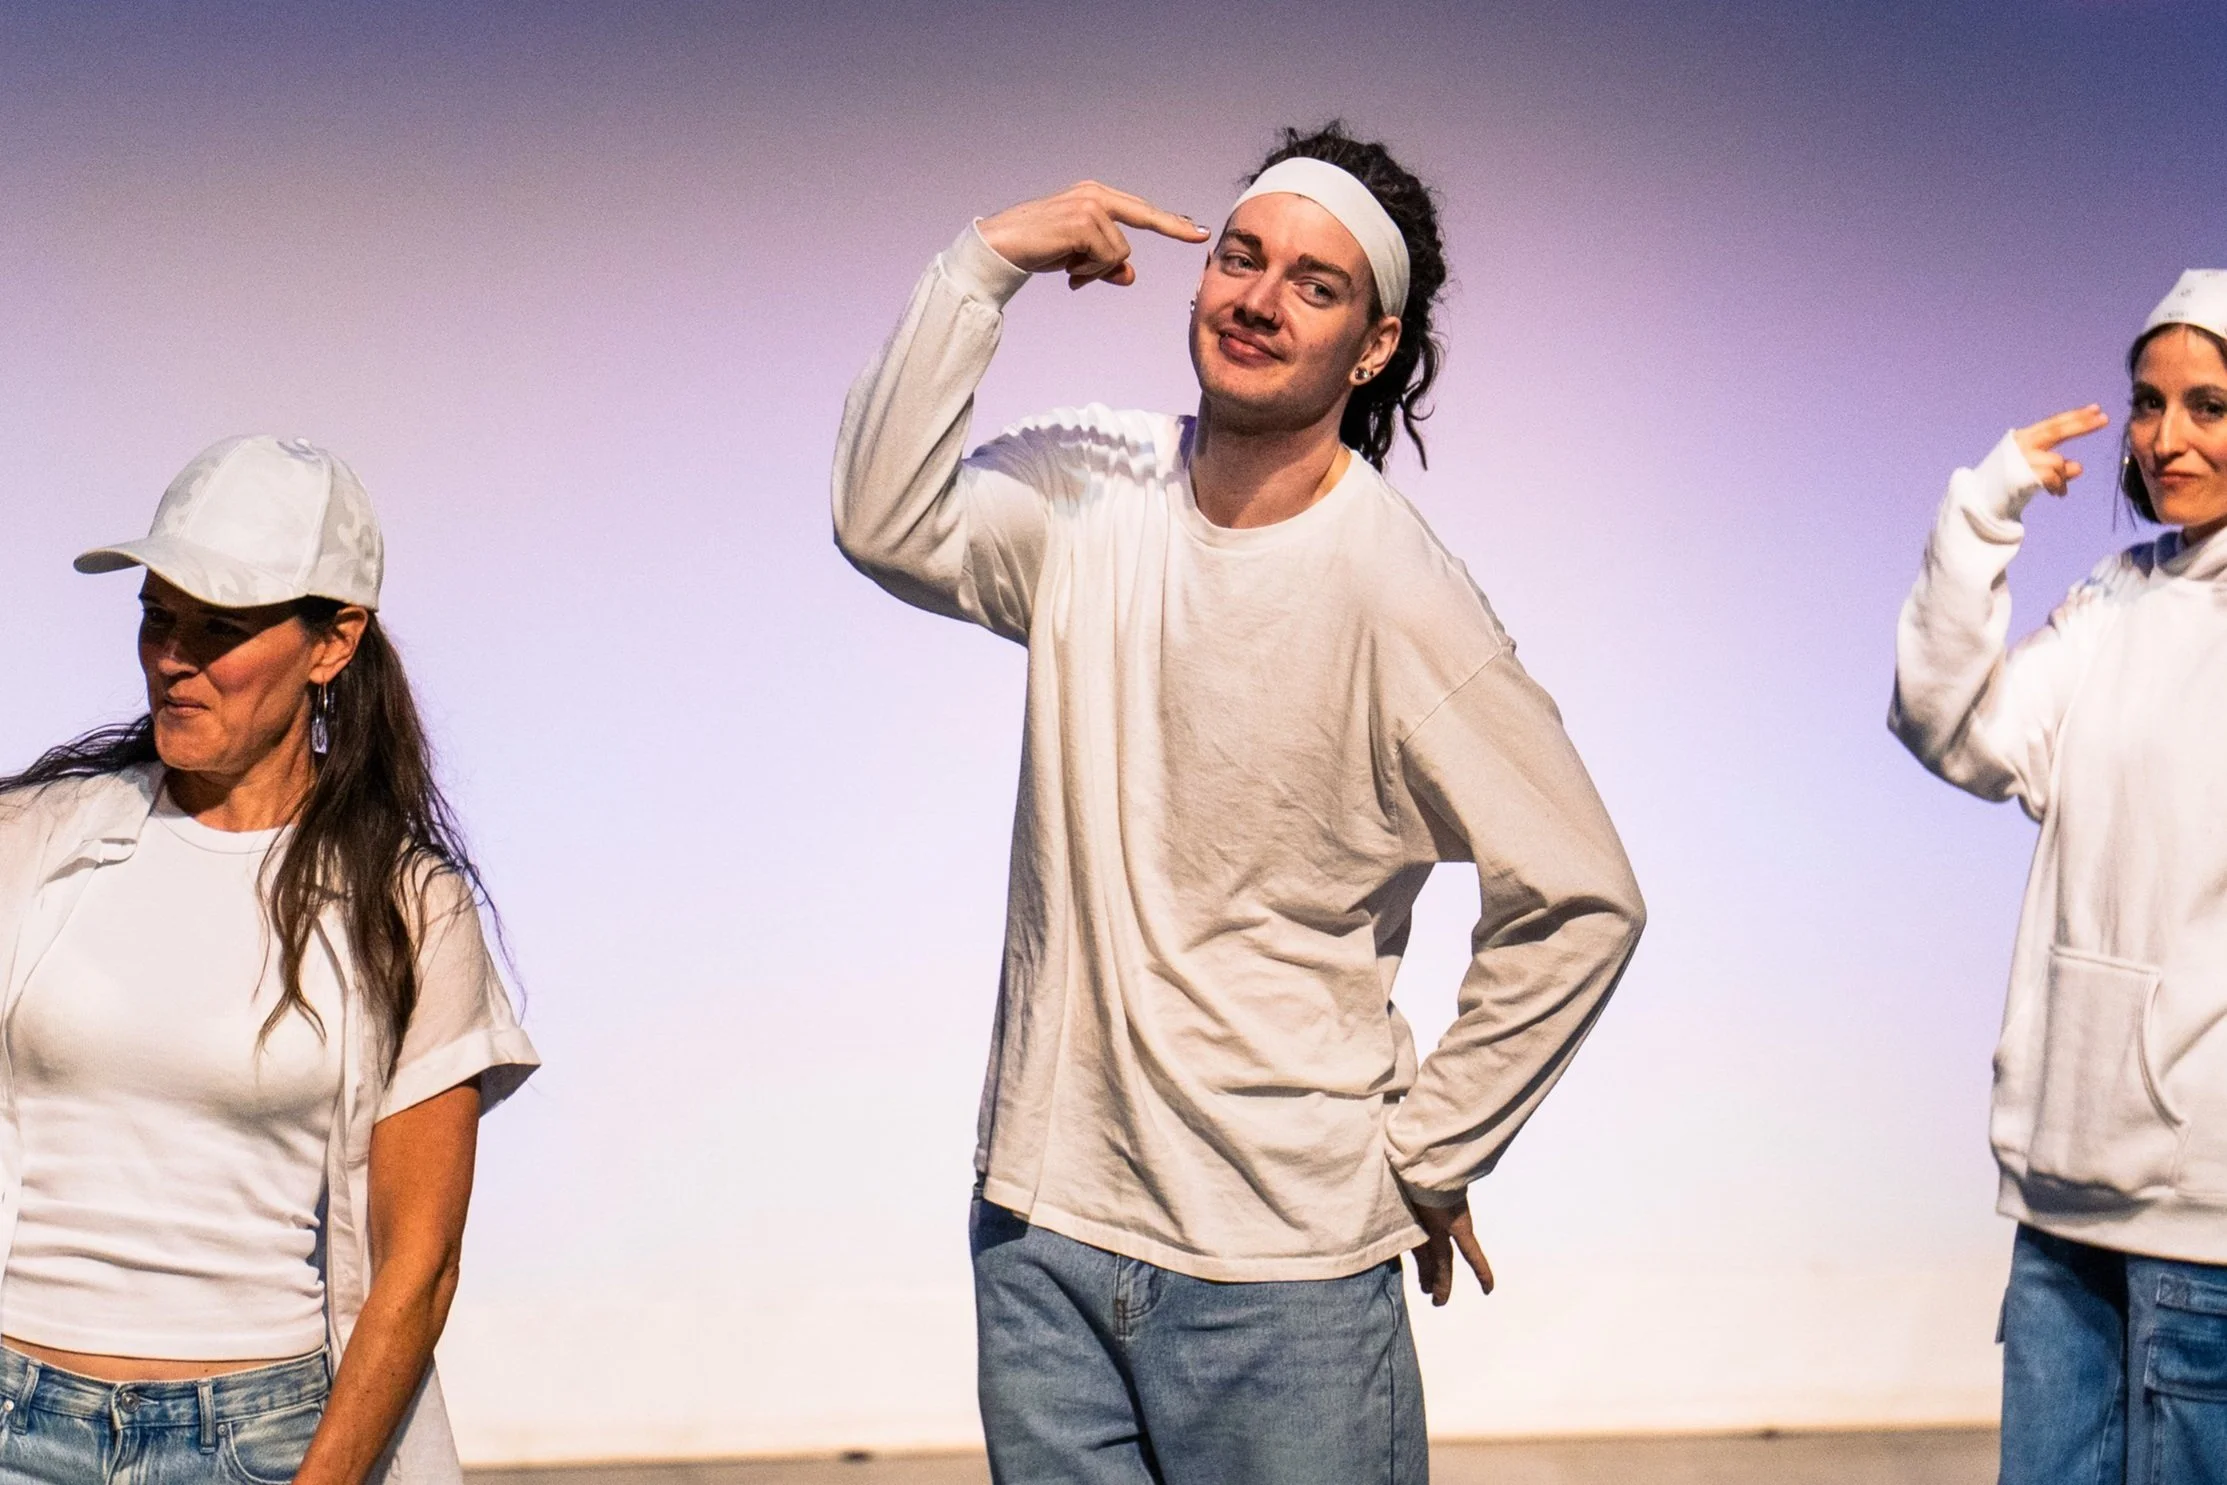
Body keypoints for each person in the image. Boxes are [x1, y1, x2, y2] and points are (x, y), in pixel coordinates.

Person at [831, 122, 1646, 1483]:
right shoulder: (1090, 493)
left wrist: (1429, 1153)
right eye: (1239, 258)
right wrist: (987, 263)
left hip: (1280, 1276)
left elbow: (1582, 898)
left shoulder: (1397, 595)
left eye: (1313, 286)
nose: (1259, 300)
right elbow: (883, 522)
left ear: (1372, 347)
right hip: (1043, 1239)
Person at [0, 436, 539, 1485]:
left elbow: (418, 1267)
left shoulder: (406, 906)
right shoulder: (33, 843)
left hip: (253, 1442)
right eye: (158, 616)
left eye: (221, 627)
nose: (174, 656)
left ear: (333, 642)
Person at [1891, 271, 2227, 1483]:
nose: (2166, 436)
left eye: (2208, 406)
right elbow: (1953, 731)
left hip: (2204, 1206)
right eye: (2148, 402)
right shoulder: (2116, 596)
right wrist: (1981, 513)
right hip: (2061, 1186)